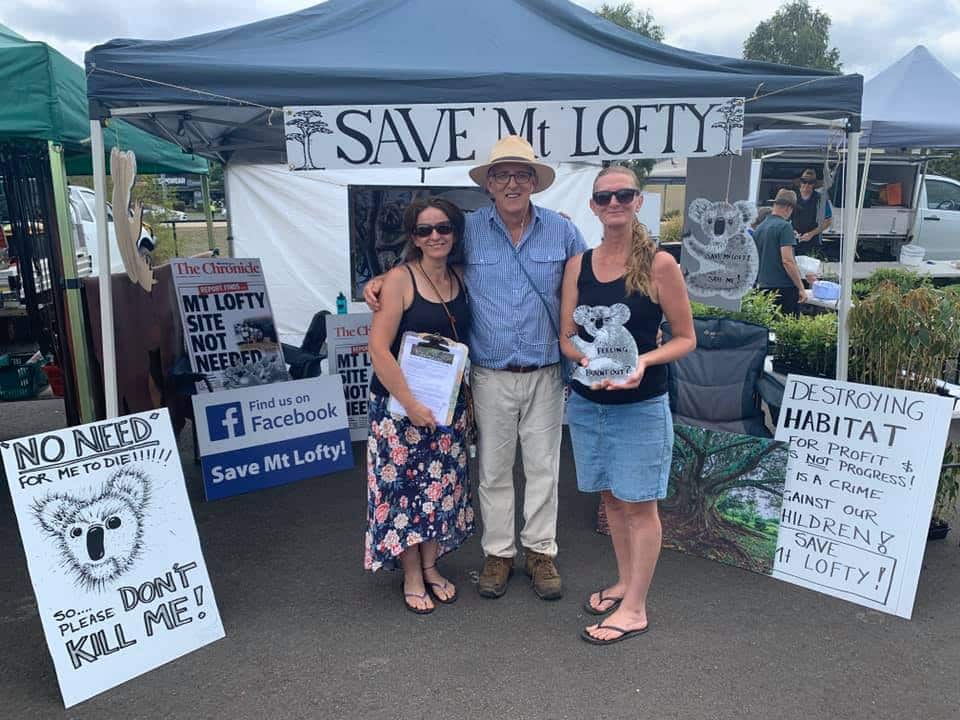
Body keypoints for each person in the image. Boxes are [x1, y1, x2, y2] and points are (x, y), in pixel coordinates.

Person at [365, 136, 586, 601]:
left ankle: (540, 551)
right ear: (488, 183)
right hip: (488, 373)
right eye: (502, 175)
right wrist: (382, 280)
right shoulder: (470, 230)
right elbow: (428, 261)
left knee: (545, 468)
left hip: (546, 371)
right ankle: (499, 553)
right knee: (493, 470)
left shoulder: (563, 233)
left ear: (534, 182)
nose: (512, 183)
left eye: (522, 175)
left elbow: (590, 279)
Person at [559, 164, 695, 645]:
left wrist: (641, 363)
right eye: (604, 197)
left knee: (640, 505)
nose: (613, 203)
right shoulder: (579, 264)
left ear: (639, 201)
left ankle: (635, 607)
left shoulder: (661, 265)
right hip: (588, 403)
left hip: (641, 405)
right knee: (612, 500)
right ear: (593, 206)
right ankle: (622, 581)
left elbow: (685, 339)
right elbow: (567, 337)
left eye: (624, 195)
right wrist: (590, 363)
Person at [364, 197, 475, 614]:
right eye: (425, 230)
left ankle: (430, 566)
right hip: (400, 411)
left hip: (445, 408)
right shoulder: (399, 280)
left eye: (443, 228)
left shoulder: (460, 277)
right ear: (413, 237)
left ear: (454, 232)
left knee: (439, 490)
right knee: (402, 494)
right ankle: (411, 574)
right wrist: (409, 404)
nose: (435, 236)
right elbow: (378, 348)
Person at [754, 189, 808, 316]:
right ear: (789, 208)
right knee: (786, 330)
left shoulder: (760, 228)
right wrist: (801, 288)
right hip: (783, 289)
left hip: (762, 286)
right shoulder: (785, 227)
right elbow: (787, 261)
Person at [793, 168, 832, 247]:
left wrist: (811, 234)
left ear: (814, 184)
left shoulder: (821, 199)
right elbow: (784, 218)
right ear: (800, 182)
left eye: (810, 182)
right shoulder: (792, 196)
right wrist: (791, 231)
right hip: (793, 240)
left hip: (814, 241)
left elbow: (827, 221)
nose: (806, 185)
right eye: (804, 181)